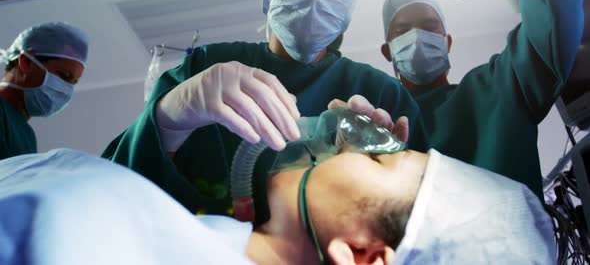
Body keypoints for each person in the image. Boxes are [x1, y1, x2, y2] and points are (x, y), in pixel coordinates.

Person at [102, 0, 429, 217]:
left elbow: (425, 224)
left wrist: (386, 177)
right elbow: (107, 190)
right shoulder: (205, 67)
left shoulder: (381, 95)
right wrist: (168, 120)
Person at [1, 146, 554, 264]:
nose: (352, 142)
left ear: (363, 257)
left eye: (381, 160)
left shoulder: (86, 230)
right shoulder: (192, 234)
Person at [379, 0, 584, 198]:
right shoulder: (379, 121)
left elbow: (556, 12)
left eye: (429, 26)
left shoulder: (500, 87)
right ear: (387, 51)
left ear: (447, 41)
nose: (416, 35)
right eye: (402, 30)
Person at [0, 22, 89, 160]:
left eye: (73, 83)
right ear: (26, 62)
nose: (67, 90)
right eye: (64, 76)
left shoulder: (27, 136)